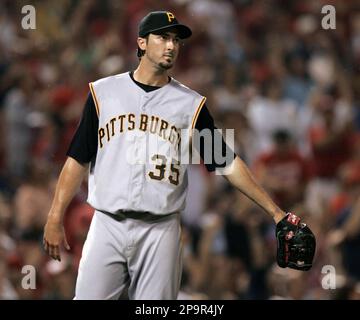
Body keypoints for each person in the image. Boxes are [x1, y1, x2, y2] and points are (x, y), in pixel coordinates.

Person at [43, 11, 302, 300]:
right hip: (107, 223)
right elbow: (77, 158)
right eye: (163, 37)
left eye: (176, 40)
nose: (171, 46)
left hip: (160, 229)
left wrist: (276, 212)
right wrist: (55, 216)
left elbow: (227, 162)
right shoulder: (104, 92)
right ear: (141, 42)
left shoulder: (190, 105)